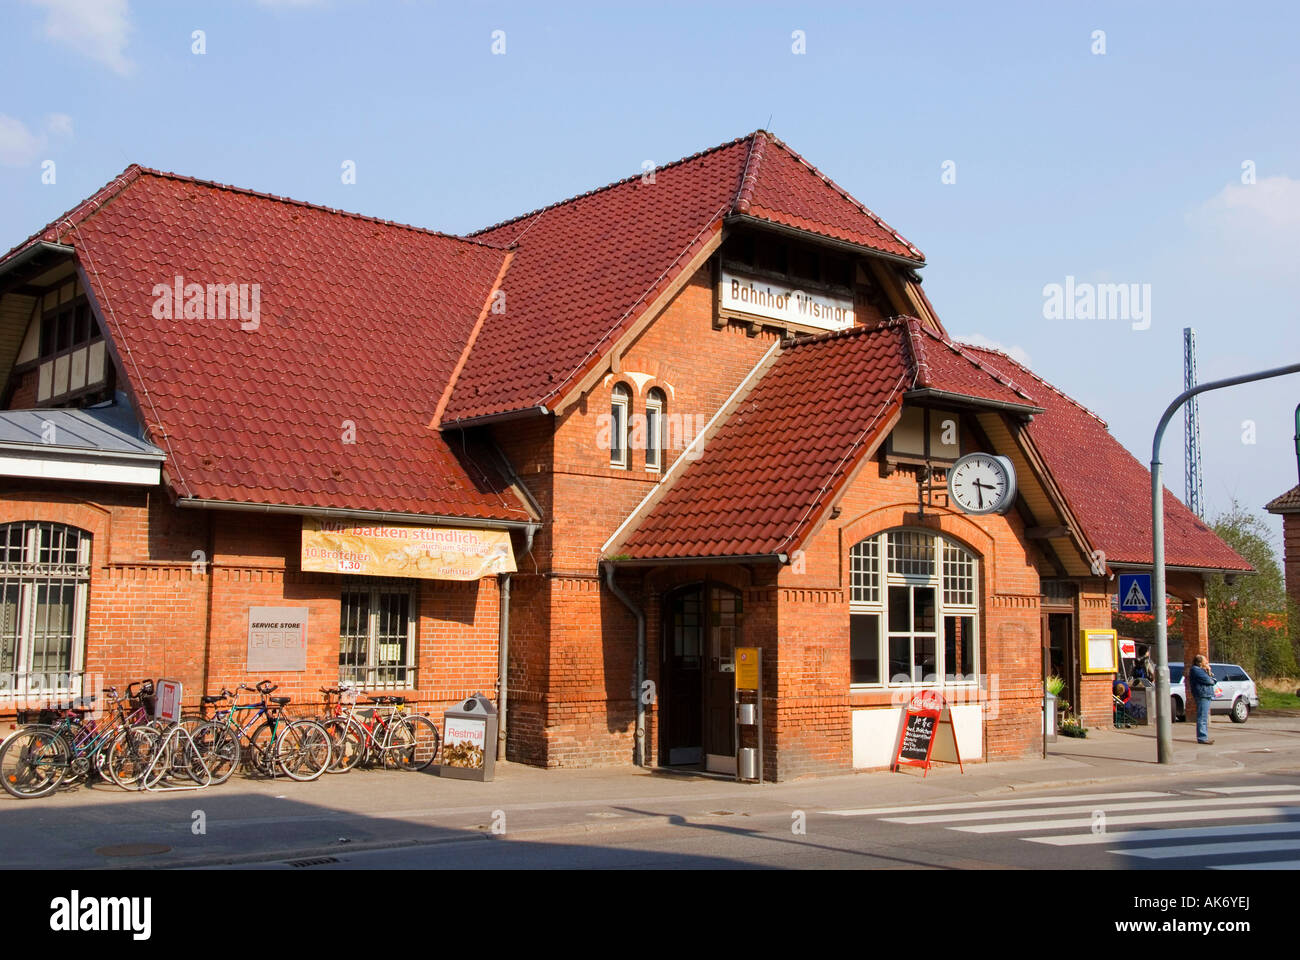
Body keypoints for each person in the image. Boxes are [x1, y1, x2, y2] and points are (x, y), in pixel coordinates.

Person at [1188, 655, 1217, 744]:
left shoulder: (1202, 670)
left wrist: (1209, 671)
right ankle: (1202, 737)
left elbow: (1214, 680)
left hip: (1206, 694)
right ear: (1200, 662)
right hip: (1202, 694)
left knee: (1204, 716)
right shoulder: (1196, 670)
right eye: (1205, 662)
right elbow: (1210, 681)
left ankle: (1204, 736)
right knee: (1202, 717)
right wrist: (1211, 679)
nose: (1207, 663)